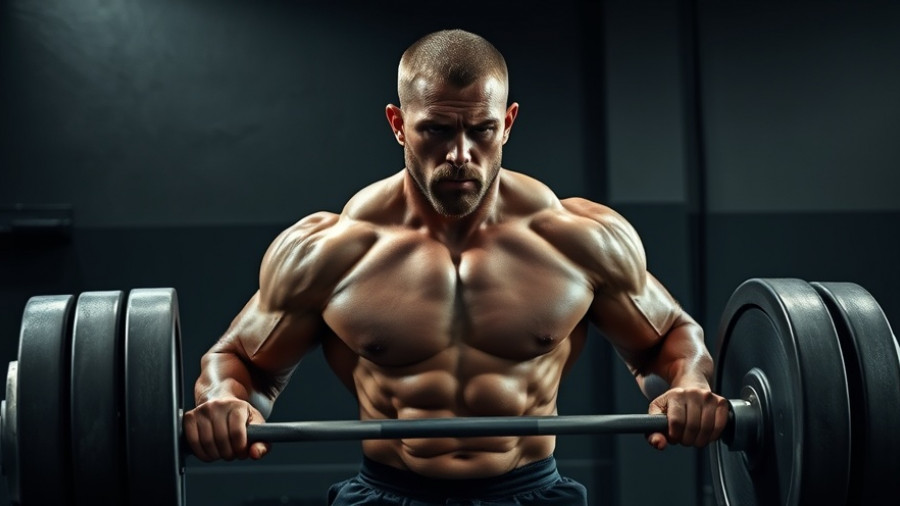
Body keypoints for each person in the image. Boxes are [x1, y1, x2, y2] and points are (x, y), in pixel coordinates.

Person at [183, 28, 729, 505]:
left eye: (482, 131)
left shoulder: (576, 240)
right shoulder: (332, 251)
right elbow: (241, 363)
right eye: (437, 130)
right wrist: (225, 403)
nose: (461, 155)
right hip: (388, 495)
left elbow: (669, 339)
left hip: (531, 493)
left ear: (508, 122)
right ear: (399, 124)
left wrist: (687, 384)